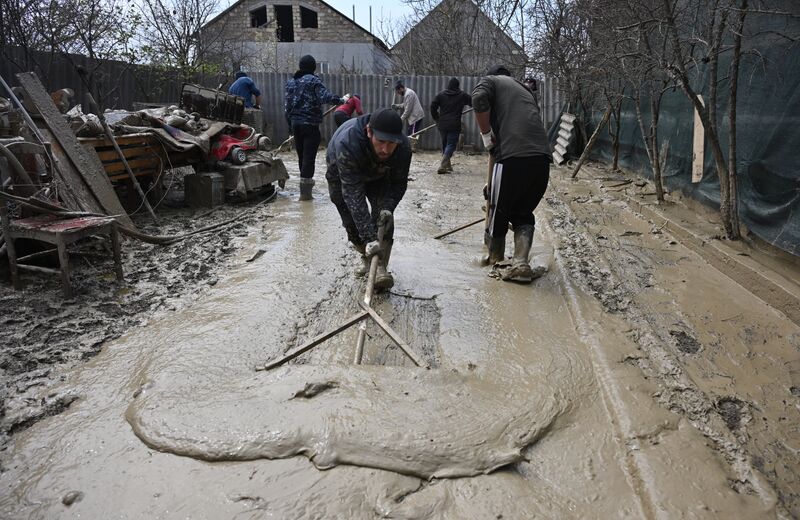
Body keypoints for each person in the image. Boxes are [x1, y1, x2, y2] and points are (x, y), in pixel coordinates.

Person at [472, 64, 551, 284]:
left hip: (512, 157)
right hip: (542, 159)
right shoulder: (525, 90)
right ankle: (520, 263)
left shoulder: (490, 81)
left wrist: (486, 134)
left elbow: (478, 99)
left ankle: (495, 259)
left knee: (499, 210)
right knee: (522, 212)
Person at [326, 108, 412, 290]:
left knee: (384, 217)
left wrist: (388, 207)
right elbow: (352, 194)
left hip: (378, 174)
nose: (385, 149)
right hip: (341, 172)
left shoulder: (403, 147)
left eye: (391, 143)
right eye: (381, 142)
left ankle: (380, 268)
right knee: (351, 219)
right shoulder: (348, 143)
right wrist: (369, 238)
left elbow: (398, 183)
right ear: (369, 132)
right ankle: (366, 256)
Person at [285, 54, 346, 200]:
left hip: (295, 124)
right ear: (313, 68)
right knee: (308, 157)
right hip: (310, 125)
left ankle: (303, 191)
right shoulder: (313, 81)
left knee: (301, 157)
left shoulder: (291, 83)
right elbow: (325, 97)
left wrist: (290, 127)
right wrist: (341, 100)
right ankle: (306, 196)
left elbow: (287, 107)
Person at [430, 77, 472, 174]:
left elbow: (433, 106)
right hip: (454, 124)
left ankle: (448, 166)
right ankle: (442, 165)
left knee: (445, 144)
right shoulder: (462, 95)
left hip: (442, 124)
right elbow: (473, 102)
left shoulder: (441, 95)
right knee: (451, 145)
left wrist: (436, 118)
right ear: (457, 86)